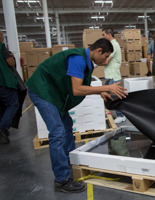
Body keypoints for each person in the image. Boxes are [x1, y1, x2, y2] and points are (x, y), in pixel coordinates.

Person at [26, 38, 127, 193]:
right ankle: (62, 180)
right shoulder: (78, 59)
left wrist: (101, 91)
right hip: (43, 90)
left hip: (54, 92)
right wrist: (106, 87)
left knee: (67, 125)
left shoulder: (86, 60)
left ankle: (69, 161)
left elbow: (81, 85)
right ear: (98, 50)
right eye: (105, 56)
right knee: (58, 133)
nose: (106, 60)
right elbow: (77, 90)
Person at [101, 28, 126, 123]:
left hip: (113, 76)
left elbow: (106, 61)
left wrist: (97, 62)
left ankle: (121, 115)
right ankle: (118, 113)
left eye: (103, 35)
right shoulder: (111, 45)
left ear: (109, 35)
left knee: (115, 96)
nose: (102, 37)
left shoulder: (114, 46)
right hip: (109, 75)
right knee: (111, 96)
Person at [0, 30, 18, 144]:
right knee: (13, 104)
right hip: (4, 82)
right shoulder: (1, 47)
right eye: (1, 35)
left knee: (2, 106)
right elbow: (10, 63)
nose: (2, 37)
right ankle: (2, 129)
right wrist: (11, 56)